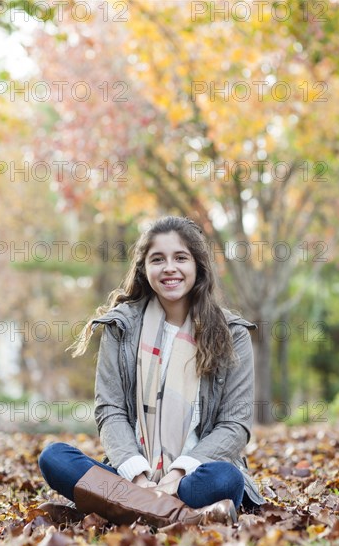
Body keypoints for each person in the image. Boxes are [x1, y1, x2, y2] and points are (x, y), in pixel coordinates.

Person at [38, 216, 265, 528]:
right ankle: (184, 516)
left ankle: (123, 507)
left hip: (193, 477)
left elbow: (234, 425)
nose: (169, 267)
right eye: (158, 259)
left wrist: (176, 475)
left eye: (180, 258)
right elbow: (111, 411)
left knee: (226, 479)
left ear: (198, 266)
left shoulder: (232, 333)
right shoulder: (121, 327)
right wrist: (141, 479)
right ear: (144, 268)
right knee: (55, 458)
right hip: (131, 474)